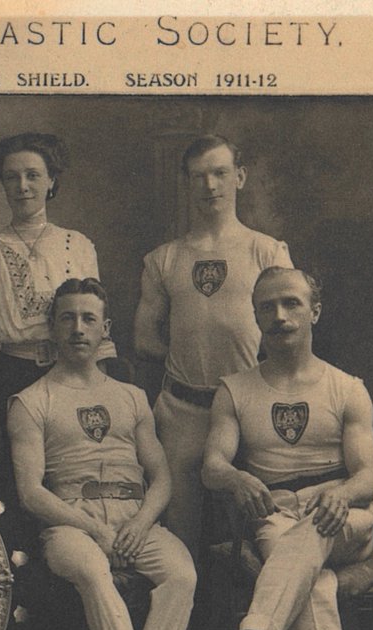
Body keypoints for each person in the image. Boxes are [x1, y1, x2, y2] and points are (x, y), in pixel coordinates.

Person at [8, 278, 196, 630]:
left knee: (182, 574)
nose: (77, 328)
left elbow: (161, 477)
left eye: (88, 318)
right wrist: (93, 529)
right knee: (93, 571)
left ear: (105, 329)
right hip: (71, 524)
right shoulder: (31, 401)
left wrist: (141, 523)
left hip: (136, 519)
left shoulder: (132, 397)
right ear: (52, 327)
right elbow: (30, 492)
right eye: (67, 317)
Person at [203, 267, 373, 630]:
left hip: (347, 519)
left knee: (315, 533)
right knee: (315, 583)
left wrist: (341, 495)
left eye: (291, 304)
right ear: (255, 315)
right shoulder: (235, 389)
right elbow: (213, 464)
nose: (279, 316)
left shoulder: (347, 388)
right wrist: (237, 480)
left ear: (314, 311)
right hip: (277, 517)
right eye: (267, 307)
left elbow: (368, 476)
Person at [133, 135, 292, 561]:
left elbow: (290, 332)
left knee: (262, 541)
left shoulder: (267, 251)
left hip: (248, 414)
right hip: (181, 414)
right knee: (179, 547)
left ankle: (252, 629)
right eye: (198, 176)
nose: (210, 185)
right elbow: (145, 339)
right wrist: (194, 355)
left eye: (220, 173)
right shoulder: (164, 259)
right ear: (186, 183)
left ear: (239, 177)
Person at [0, 132, 114, 454]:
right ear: (2, 184)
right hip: (7, 380)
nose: (22, 186)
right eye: (11, 177)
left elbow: (95, 326)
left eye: (32, 175)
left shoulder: (78, 245)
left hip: (71, 372)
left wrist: (100, 390)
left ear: (51, 181)